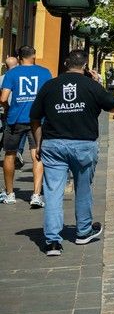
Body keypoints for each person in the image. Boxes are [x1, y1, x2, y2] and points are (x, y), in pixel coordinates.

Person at [28, 51, 114, 257]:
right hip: (84, 145)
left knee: (52, 192)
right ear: (85, 65)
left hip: (54, 144)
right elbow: (112, 106)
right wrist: (96, 82)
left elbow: (34, 117)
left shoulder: (50, 86)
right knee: (83, 188)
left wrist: (39, 143)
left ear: (65, 63)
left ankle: (52, 242)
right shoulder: (91, 85)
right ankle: (83, 231)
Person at [1, 45, 52, 206]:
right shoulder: (44, 72)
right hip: (37, 119)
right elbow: (49, 95)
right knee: (37, 154)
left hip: (15, 118)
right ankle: (36, 195)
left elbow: (3, 98)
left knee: (9, 154)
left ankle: (10, 193)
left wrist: (9, 109)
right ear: (34, 55)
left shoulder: (12, 73)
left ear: (19, 57)